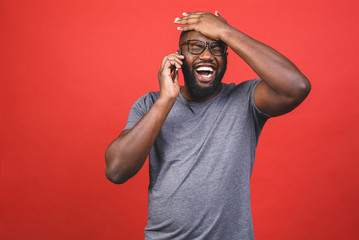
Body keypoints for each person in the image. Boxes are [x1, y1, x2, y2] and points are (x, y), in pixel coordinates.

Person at [105, 11, 311, 240]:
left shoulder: (245, 99)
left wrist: (226, 31)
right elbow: (116, 171)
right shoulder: (150, 104)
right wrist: (166, 101)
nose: (207, 55)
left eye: (216, 48)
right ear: (178, 57)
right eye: (195, 47)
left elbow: (296, 86)